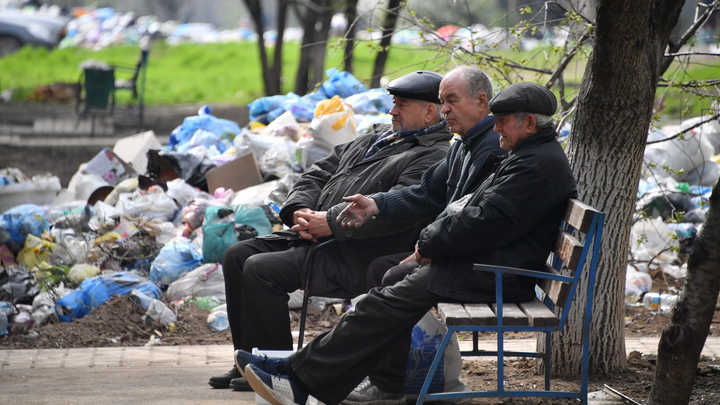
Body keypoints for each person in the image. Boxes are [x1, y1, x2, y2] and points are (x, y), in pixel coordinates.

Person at [237, 81, 578, 405]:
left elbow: (481, 222)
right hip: (486, 265)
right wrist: (381, 207)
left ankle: (299, 377)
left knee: (379, 303)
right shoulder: (526, 155)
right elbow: (452, 204)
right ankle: (358, 382)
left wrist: (428, 244)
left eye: (503, 121)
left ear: (529, 123)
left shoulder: (534, 165)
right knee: (387, 285)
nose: (497, 127)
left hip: (497, 274)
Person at [208, 70, 453, 391]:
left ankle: (276, 367)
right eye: (393, 103)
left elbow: (396, 210)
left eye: (401, 105)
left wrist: (330, 223)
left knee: (260, 269)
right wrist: (300, 211)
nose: (392, 111)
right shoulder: (376, 136)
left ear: (429, 111)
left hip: (360, 252)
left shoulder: (432, 155)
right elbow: (318, 171)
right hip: (318, 234)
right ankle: (251, 361)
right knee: (237, 255)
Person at [362, 65, 505, 289]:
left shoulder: (492, 148)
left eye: (452, 100)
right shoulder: (463, 142)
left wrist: (429, 248)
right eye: (442, 101)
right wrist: (374, 203)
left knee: (390, 274)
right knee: (380, 268)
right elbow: (427, 192)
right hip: (449, 247)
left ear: (481, 100)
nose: (444, 110)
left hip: (476, 263)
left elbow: (469, 220)